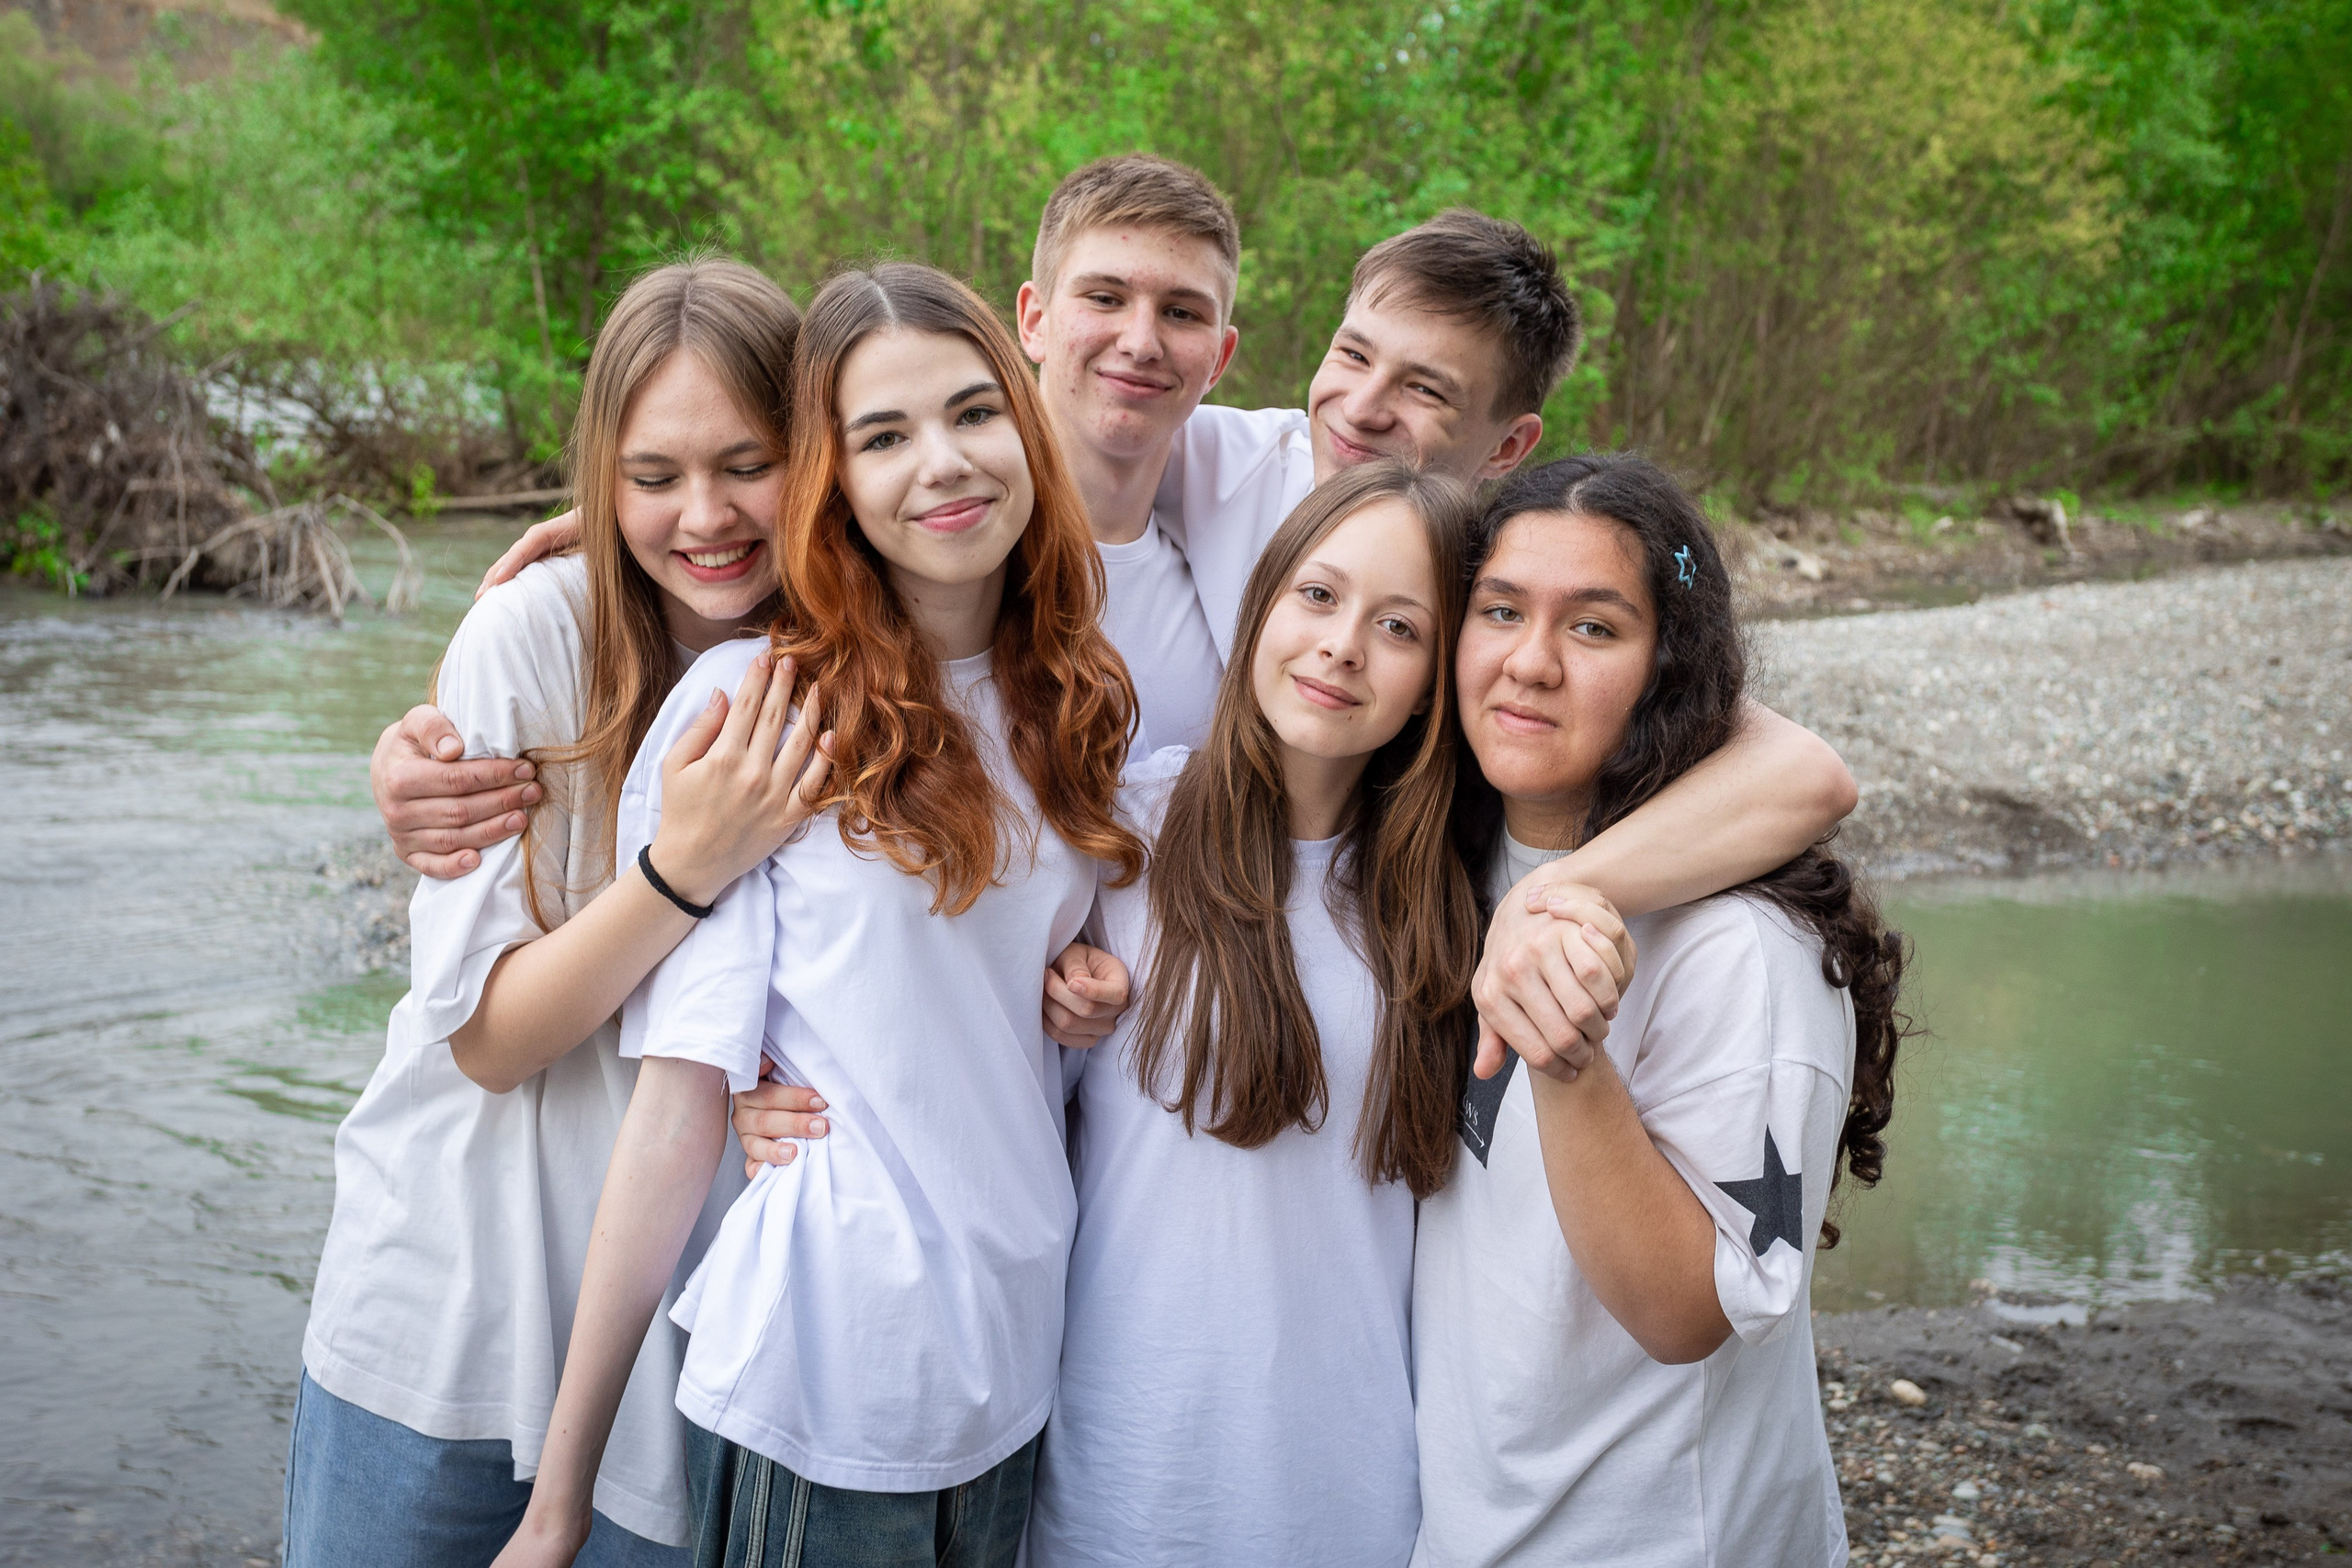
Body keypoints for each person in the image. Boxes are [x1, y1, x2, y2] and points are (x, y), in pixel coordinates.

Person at [382, 175, 1855, 1069]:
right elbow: (867, 453)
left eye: (1424, 394)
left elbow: (1802, 775)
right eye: (1353, 358)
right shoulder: (1139, 464)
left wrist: (1563, 892)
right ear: (1034, 315)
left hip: (1314, 1021)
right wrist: (662, 519)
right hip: (1022, 1078)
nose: (1365, 409)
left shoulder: (1404, 526)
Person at [488, 262, 1144, 1568]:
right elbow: (677, 1107)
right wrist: (557, 1504)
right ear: (832, 480)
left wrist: (1086, 992)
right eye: (884, 436)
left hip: (1015, 1352)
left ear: (1029, 419)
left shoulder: (1073, 691)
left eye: (973, 413)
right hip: (829, 1370)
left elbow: (976, 1013)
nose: (945, 464)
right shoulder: (762, 709)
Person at [287, 257, 831, 1566]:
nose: (704, 514)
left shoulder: (858, 658)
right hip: (450, 1309)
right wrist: (681, 873)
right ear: (602, 475)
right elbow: (488, 1037)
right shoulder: (531, 633)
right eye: (651, 477)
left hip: (673, 1330)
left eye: (746, 463)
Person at [1413, 454, 1911, 1566]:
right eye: (1498, 611)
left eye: (1594, 629)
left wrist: (1569, 1059)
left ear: (1668, 672)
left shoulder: (1741, 948)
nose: (1529, 663)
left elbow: (1689, 1311)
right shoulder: (1453, 859)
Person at [1026, 461, 1498, 1567]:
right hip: (1123, 1482)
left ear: (1437, 679)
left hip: (1351, 1494)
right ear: (1263, 606)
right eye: (1319, 597)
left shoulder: (1451, 897)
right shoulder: (1124, 834)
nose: (1342, 646)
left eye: (1398, 626)